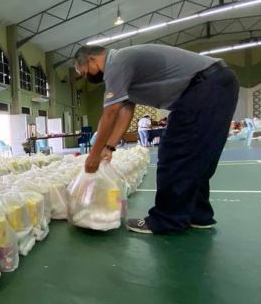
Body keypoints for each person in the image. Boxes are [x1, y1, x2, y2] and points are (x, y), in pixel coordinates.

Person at [74, 44, 239, 234]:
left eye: (85, 72)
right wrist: (109, 147)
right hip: (216, 84)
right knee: (197, 156)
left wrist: (93, 155)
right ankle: (198, 215)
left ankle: (166, 220)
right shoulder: (124, 65)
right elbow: (126, 110)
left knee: (173, 153)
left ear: (91, 59)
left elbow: (110, 113)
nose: (87, 78)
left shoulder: (116, 63)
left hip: (203, 88)